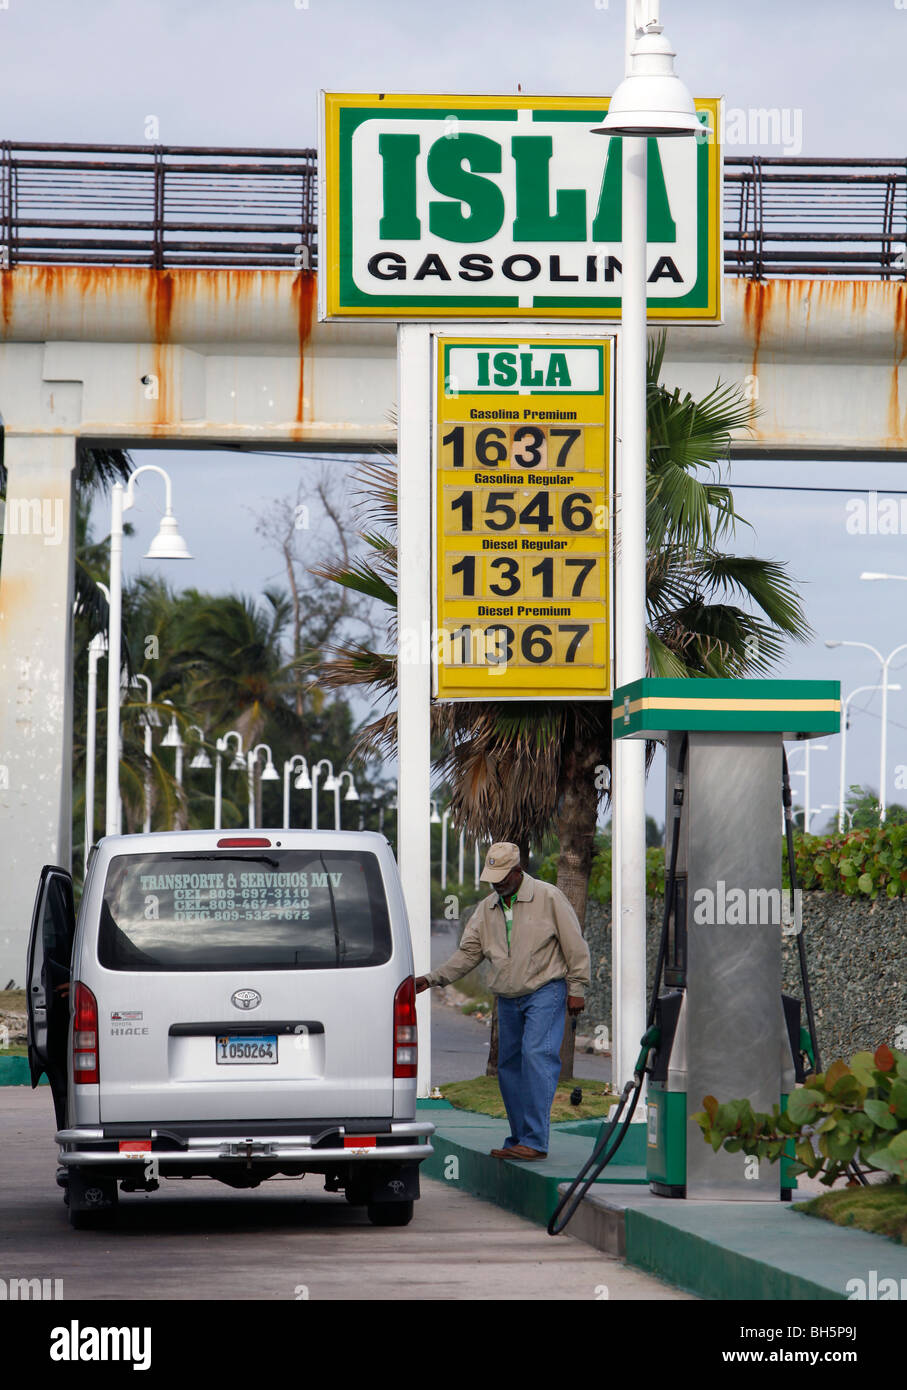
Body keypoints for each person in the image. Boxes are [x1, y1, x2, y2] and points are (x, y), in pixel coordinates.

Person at [415, 842, 590, 1161]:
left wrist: (576, 987)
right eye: (492, 876)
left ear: (518, 872)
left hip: (545, 989)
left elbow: (574, 944)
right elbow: (468, 954)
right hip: (507, 998)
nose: (496, 883)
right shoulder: (486, 909)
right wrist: (432, 978)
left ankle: (535, 1141)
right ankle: (520, 1138)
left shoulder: (549, 897)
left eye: (502, 876)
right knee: (508, 1067)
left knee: (536, 1055)